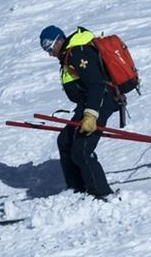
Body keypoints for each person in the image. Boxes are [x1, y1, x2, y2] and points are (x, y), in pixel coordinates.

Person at [39, 25, 118, 199]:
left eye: (49, 47)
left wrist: (91, 116)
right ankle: (76, 190)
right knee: (65, 141)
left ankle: (102, 193)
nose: (50, 53)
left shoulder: (78, 54)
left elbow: (98, 85)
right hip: (87, 103)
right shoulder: (69, 55)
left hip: (101, 102)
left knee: (82, 149)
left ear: (59, 40)